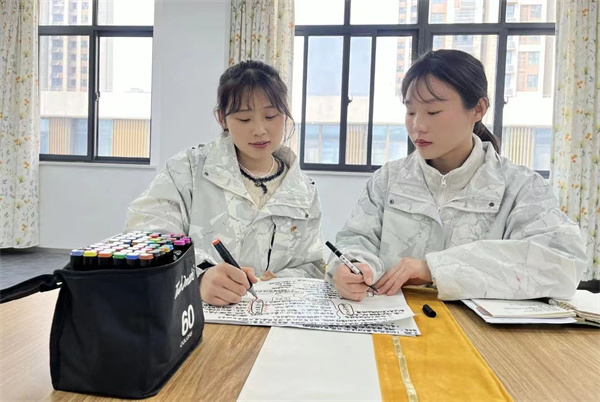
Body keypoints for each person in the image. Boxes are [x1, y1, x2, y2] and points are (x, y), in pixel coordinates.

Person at [328, 49, 585, 302]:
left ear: (478, 109)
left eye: (433, 112)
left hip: (479, 329)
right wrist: (353, 267)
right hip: (395, 322)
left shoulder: (521, 187)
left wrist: (436, 269)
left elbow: (562, 265)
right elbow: (355, 240)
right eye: (410, 111)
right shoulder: (387, 180)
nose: (417, 126)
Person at [125, 60, 326, 306]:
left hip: (272, 317)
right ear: (222, 118)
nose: (259, 129)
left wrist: (282, 281)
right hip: (198, 316)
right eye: (244, 119)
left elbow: (313, 265)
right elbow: (146, 237)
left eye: (271, 116)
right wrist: (199, 276)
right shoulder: (187, 170)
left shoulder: (303, 190)